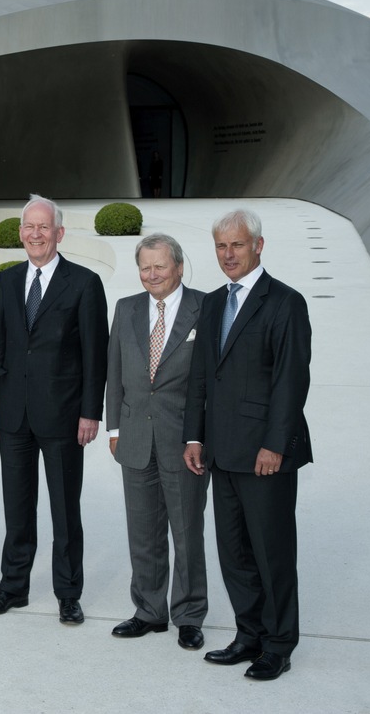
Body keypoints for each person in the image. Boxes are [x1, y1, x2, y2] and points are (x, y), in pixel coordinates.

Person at [183, 209, 312, 682]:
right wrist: (194, 436)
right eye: (221, 246)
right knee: (234, 551)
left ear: (258, 245)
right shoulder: (213, 302)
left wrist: (275, 444)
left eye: (237, 245)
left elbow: (291, 380)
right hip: (220, 450)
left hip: (264, 454)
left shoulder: (284, 302)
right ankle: (249, 634)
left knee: (271, 551)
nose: (228, 254)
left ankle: (279, 645)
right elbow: (202, 376)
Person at [0, 194, 108, 623]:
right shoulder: (10, 280)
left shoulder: (85, 283)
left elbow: (96, 353)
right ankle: (13, 587)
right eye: (28, 228)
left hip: (64, 415)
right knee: (17, 507)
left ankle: (68, 593)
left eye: (43, 227)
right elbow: (2, 346)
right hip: (14, 414)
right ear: (20, 234)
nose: (35, 234)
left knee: (64, 510)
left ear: (59, 233)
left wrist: (91, 411)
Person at [105, 234, 208, 649]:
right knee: (143, 531)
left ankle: (188, 615)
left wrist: (199, 435)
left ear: (179, 267)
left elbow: (208, 382)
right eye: (145, 267)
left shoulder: (206, 306)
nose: (151, 275)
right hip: (133, 438)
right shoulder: (126, 308)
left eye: (159, 267)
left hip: (184, 443)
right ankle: (149, 610)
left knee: (186, 532)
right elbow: (115, 372)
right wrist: (114, 429)